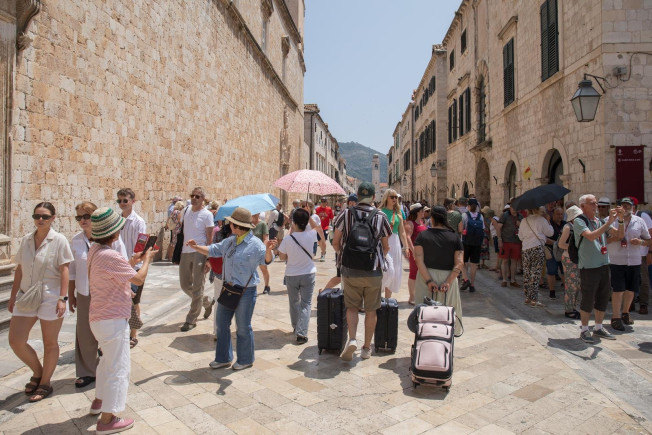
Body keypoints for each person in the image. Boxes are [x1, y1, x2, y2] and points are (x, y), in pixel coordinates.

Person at [87, 207, 157, 433]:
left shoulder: (95, 250)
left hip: (99, 317)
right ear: (115, 232)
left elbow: (112, 272)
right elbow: (138, 278)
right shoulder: (109, 255)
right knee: (118, 368)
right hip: (113, 318)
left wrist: (131, 260)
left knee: (106, 362)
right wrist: (146, 260)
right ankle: (108, 419)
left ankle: (99, 401)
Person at [187, 207, 275, 370]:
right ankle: (223, 358)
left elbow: (267, 260)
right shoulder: (230, 241)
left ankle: (245, 359)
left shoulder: (255, 244)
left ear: (238, 226)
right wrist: (196, 247)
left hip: (246, 292)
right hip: (228, 289)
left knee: (243, 327)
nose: (229, 225)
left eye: (232, 223)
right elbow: (213, 250)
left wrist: (269, 250)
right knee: (221, 324)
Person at [8, 202, 74, 402]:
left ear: (53, 218)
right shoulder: (26, 240)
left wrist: (63, 298)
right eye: (37, 216)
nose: (40, 220)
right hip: (26, 295)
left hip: (51, 296)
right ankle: (38, 372)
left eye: (45, 216)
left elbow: (64, 270)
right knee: (16, 340)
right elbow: (20, 269)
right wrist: (13, 296)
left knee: (50, 342)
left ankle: (45, 383)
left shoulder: (59, 240)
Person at [69, 201, 128, 389]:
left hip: (107, 291)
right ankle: (87, 371)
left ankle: (107, 364)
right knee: (84, 331)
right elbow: (72, 270)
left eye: (86, 216)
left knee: (107, 328)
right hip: (84, 291)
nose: (83, 220)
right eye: (79, 217)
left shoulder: (113, 239)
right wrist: (70, 294)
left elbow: (123, 263)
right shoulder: (76, 240)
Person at [332, 182, 391, 361]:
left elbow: (335, 242)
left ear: (357, 196)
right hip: (373, 271)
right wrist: (377, 258)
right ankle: (366, 348)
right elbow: (386, 246)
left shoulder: (346, 213)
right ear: (373, 197)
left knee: (351, 307)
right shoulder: (380, 216)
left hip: (350, 270)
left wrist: (343, 255)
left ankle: (352, 339)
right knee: (371, 310)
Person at [575, 194, 623, 343]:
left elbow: (619, 235)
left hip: (603, 264)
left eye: (596, 203)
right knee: (588, 298)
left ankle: (598, 327)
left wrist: (620, 220)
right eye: (592, 203)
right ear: (582, 206)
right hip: (589, 266)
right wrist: (609, 222)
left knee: (603, 297)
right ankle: (584, 329)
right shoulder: (579, 221)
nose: (595, 206)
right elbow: (590, 236)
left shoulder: (599, 221)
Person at [413, 206, 464, 336]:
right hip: (448, 276)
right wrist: (448, 282)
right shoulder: (454, 237)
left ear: (432, 218)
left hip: (426, 275)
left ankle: (424, 338)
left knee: (424, 311)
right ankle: (445, 339)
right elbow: (459, 263)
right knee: (447, 311)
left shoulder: (422, 236)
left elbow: (418, 260)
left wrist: (429, 281)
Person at [606, 197, 651, 331]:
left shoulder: (639, 221)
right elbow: (603, 239)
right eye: (623, 205)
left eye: (628, 206)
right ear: (618, 207)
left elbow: (648, 240)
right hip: (617, 260)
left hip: (634, 260)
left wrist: (640, 242)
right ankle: (616, 317)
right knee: (618, 289)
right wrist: (614, 238)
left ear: (633, 207)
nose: (626, 208)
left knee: (631, 289)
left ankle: (625, 312)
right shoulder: (611, 220)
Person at [277, 208, 317, 344]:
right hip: (308, 274)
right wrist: (308, 215)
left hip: (292, 274)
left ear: (293, 222)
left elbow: (282, 257)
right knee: (306, 304)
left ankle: (296, 327)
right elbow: (316, 228)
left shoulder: (288, 239)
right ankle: (302, 333)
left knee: (294, 302)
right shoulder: (312, 235)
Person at [178, 187, 215, 332]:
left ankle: (191, 319)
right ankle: (207, 301)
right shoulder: (186, 210)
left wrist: (209, 259)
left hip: (200, 252)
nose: (194, 198)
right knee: (184, 284)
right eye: (192, 195)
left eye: (197, 196)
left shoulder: (207, 215)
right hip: (185, 251)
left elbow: (210, 237)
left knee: (198, 286)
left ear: (203, 199)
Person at [116, 188, 147, 347]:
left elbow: (141, 246)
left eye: (125, 200)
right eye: (119, 201)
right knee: (120, 300)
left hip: (134, 268)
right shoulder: (116, 221)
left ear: (133, 201)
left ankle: (133, 334)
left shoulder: (138, 222)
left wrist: (133, 262)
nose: (122, 203)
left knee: (133, 301)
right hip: (119, 268)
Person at [379, 189, 412, 299]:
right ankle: (378, 298)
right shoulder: (380, 211)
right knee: (384, 270)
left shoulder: (398, 212)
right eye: (392, 197)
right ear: (386, 198)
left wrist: (406, 247)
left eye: (396, 197)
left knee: (393, 271)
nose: (394, 199)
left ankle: (387, 300)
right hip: (383, 242)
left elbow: (402, 231)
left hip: (395, 242)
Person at [518, 207, 554, 307]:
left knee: (527, 272)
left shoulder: (524, 220)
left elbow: (520, 236)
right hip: (537, 248)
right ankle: (534, 299)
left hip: (526, 248)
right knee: (536, 273)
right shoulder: (542, 220)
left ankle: (527, 297)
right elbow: (550, 233)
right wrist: (548, 221)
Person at [558, 205, 583, 319]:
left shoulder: (576, 226)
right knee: (571, 285)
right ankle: (569, 309)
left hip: (577, 258)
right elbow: (561, 244)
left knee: (576, 284)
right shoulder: (568, 227)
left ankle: (573, 307)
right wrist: (574, 248)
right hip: (569, 258)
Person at [459, 198, 485, 292]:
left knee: (463, 262)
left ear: (468, 206)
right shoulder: (480, 216)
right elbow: (482, 229)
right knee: (474, 264)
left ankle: (465, 279)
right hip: (477, 243)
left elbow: (461, 230)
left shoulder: (464, 215)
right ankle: (472, 285)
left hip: (466, 242)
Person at [405, 203, 427, 305]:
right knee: (413, 273)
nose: (423, 212)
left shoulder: (421, 221)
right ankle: (412, 297)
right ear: (416, 212)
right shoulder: (410, 223)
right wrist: (413, 251)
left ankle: (420, 294)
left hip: (423, 252)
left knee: (422, 273)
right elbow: (408, 237)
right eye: (422, 211)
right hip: (415, 252)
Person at [496, 203, 523, 288]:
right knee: (505, 261)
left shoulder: (520, 216)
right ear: (510, 207)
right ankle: (504, 280)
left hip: (516, 241)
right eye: (513, 207)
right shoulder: (505, 215)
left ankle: (512, 280)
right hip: (505, 241)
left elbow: (524, 229)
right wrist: (499, 240)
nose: (514, 209)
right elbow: (498, 227)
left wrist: (520, 225)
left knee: (514, 261)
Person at [633, 198, 652, 315]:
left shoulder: (643, 216)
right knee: (630, 279)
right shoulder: (623, 218)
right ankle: (630, 303)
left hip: (642, 254)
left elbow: (651, 234)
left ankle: (643, 303)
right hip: (628, 254)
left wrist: (650, 252)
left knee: (644, 280)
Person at [546, 207, 566, 299]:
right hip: (551, 251)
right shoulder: (549, 225)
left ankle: (567, 291)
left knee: (564, 271)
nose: (560, 216)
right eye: (558, 214)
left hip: (563, 251)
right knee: (551, 271)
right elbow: (545, 239)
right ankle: (552, 291)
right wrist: (556, 243)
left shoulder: (565, 224)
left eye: (561, 214)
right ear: (553, 215)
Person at [252, 213, 271, 295]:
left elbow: (265, 238)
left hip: (260, 250)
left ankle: (267, 286)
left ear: (258, 213)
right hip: (251, 250)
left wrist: (263, 250)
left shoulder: (262, 224)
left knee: (263, 269)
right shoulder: (248, 224)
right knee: (251, 270)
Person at [316, 198, 334, 262]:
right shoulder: (317, 209)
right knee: (319, 241)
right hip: (319, 227)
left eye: (324, 201)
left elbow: (331, 218)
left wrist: (330, 225)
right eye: (322, 201)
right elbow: (315, 217)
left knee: (323, 240)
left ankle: (323, 254)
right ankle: (323, 251)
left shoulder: (329, 209)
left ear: (326, 202)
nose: (323, 203)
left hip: (325, 227)